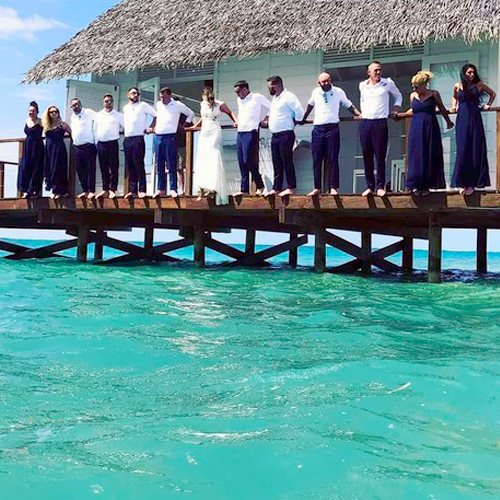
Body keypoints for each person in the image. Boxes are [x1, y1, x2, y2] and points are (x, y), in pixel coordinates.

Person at [302, 72, 360, 196]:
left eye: (328, 80)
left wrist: (358, 113)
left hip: (332, 129)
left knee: (333, 158)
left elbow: (348, 104)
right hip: (318, 129)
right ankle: (317, 187)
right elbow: (310, 106)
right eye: (323, 82)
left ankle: (334, 187)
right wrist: (303, 118)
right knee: (317, 159)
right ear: (319, 83)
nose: (326, 83)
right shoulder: (315, 92)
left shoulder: (338, 91)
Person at [451, 63, 496, 195]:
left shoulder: (479, 85)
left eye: (473, 72)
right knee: (462, 149)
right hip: (462, 118)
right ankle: (461, 183)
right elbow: (454, 97)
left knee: (475, 149)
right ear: (464, 73)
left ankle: (472, 184)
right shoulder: (457, 86)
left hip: (475, 118)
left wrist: (488, 105)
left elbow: (492, 93)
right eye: (469, 72)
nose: (471, 75)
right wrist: (454, 106)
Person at [359, 61, 403, 197]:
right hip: (365, 122)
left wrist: (396, 108)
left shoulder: (387, 83)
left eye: (379, 70)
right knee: (367, 156)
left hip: (380, 122)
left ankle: (380, 186)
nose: (378, 73)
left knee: (380, 155)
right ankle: (369, 186)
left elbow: (398, 96)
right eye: (375, 71)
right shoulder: (362, 85)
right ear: (369, 72)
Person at [406, 70, 454, 195]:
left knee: (429, 153)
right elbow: (413, 109)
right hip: (416, 128)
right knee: (416, 155)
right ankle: (417, 185)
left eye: (417, 86)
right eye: (413, 86)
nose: (414, 89)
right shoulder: (412, 96)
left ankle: (428, 185)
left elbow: (442, 108)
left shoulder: (434, 94)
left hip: (430, 126)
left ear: (424, 84)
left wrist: (448, 121)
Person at [191, 87, 237, 205]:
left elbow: (230, 112)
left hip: (214, 132)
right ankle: (202, 189)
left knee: (214, 156)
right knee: (203, 158)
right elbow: (204, 117)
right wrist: (196, 125)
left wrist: (236, 121)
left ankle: (213, 187)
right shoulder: (202, 104)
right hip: (204, 132)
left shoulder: (219, 104)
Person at [263, 75, 304, 197]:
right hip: (275, 135)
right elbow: (271, 113)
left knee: (286, 160)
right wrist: (266, 122)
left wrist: (295, 121)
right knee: (277, 162)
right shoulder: (275, 98)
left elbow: (300, 112)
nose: (269, 90)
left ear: (277, 85)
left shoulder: (289, 97)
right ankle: (277, 188)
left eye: (270, 87)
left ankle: (291, 187)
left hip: (286, 133)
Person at [153, 87, 195, 198]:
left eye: (164, 96)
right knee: (160, 164)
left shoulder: (177, 105)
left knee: (172, 164)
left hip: (170, 136)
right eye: (160, 97)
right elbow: (156, 116)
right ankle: (160, 189)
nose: (162, 99)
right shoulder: (158, 105)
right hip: (158, 136)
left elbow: (191, 113)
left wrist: (184, 125)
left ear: (169, 95)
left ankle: (173, 189)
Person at [234, 80, 270, 196]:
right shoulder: (239, 100)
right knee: (241, 162)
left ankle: (260, 185)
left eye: (238, 91)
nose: (237, 94)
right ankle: (244, 190)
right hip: (240, 132)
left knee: (248, 160)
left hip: (251, 131)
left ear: (245, 89)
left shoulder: (257, 97)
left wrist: (266, 119)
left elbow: (271, 107)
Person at [122, 87, 156, 199]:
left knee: (139, 164)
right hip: (127, 139)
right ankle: (133, 191)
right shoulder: (125, 108)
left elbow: (156, 115)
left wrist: (150, 127)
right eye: (133, 93)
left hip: (138, 138)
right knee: (130, 165)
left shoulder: (143, 105)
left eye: (137, 93)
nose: (135, 95)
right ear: (128, 95)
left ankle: (142, 190)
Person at [94, 94, 124, 199]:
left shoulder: (118, 115)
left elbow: (125, 126)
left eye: (110, 101)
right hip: (101, 143)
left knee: (114, 167)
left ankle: (112, 189)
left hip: (113, 143)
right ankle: (105, 189)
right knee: (103, 168)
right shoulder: (98, 115)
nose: (108, 103)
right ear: (103, 103)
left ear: (113, 102)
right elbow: (94, 129)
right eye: (106, 101)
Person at [42, 105, 71, 199]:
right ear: (48, 114)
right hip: (49, 150)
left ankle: (62, 191)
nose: (54, 113)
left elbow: (72, 134)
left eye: (56, 111)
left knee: (59, 169)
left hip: (59, 149)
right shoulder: (46, 125)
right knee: (50, 169)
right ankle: (54, 190)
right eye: (51, 112)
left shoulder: (62, 124)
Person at [70, 98, 97, 199]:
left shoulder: (89, 112)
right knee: (80, 170)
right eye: (73, 105)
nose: (75, 106)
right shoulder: (73, 116)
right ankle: (85, 190)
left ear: (80, 104)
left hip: (88, 145)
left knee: (90, 168)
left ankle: (91, 191)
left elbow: (99, 119)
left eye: (77, 104)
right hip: (77, 146)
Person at [18, 101, 44, 198]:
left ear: (37, 111)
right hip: (27, 146)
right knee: (25, 167)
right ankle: (25, 190)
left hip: (37, 146)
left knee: (36, 168)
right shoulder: (26, 121)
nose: (31, 113)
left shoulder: (41, 122)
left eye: (33, 111)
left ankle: (35, 191)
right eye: (29, 111)